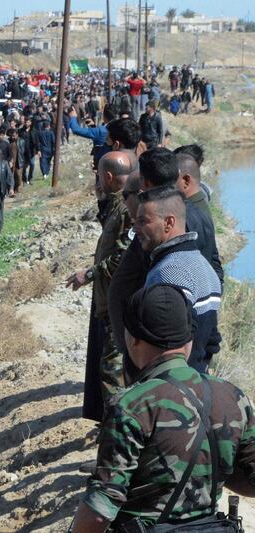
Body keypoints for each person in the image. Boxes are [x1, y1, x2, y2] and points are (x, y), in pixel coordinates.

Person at [72, 284, 255, 531]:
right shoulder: (232, 396)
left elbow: (100, 510)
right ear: (189, 339)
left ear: (132, 338)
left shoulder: (132, 405)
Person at [66, 151, 134, 421]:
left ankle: (116, 434)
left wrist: (90, 273)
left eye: (99, 177)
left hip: (119, 303)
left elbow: (123, 257)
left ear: (107, 177)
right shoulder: (117, 205)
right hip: (110, 300)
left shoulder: (127, 209)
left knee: (112, 372)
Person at [137, 186, 222, 373]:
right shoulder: (201, 264)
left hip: (169, 388)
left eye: (143, 221)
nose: (136, 229)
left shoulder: (170, 272)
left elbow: (165, 345)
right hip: (195, 381)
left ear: (168, 223)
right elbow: (212, 341)